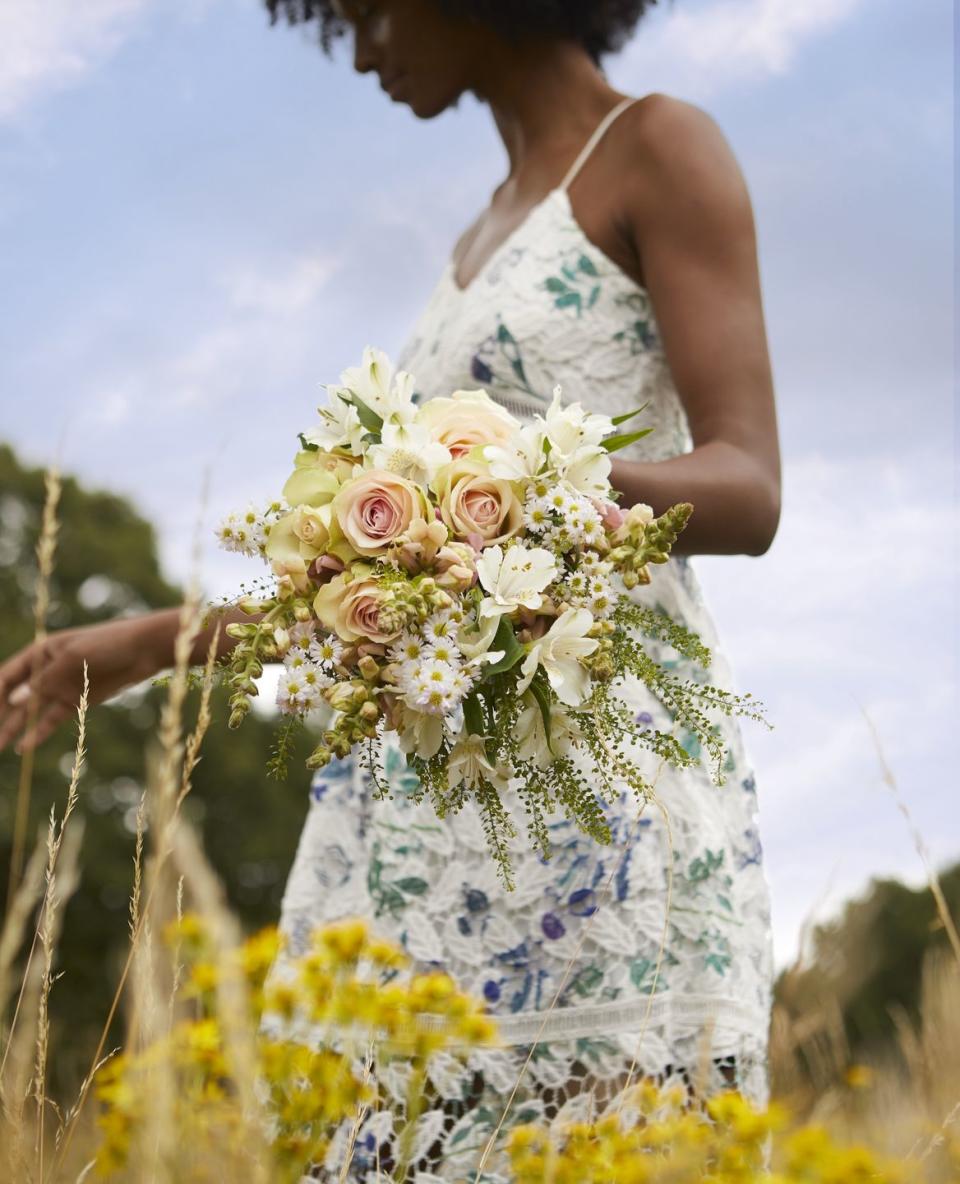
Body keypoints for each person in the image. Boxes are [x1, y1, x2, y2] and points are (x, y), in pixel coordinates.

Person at [0, 0, 781, 1177]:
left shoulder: (658, 144)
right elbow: (400, 567)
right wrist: (159, 641)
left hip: (596, 784)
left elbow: (748, 481)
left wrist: (528, 474)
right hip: (423, 808)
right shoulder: (474, 245)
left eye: (369, 13)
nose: (364, 49)